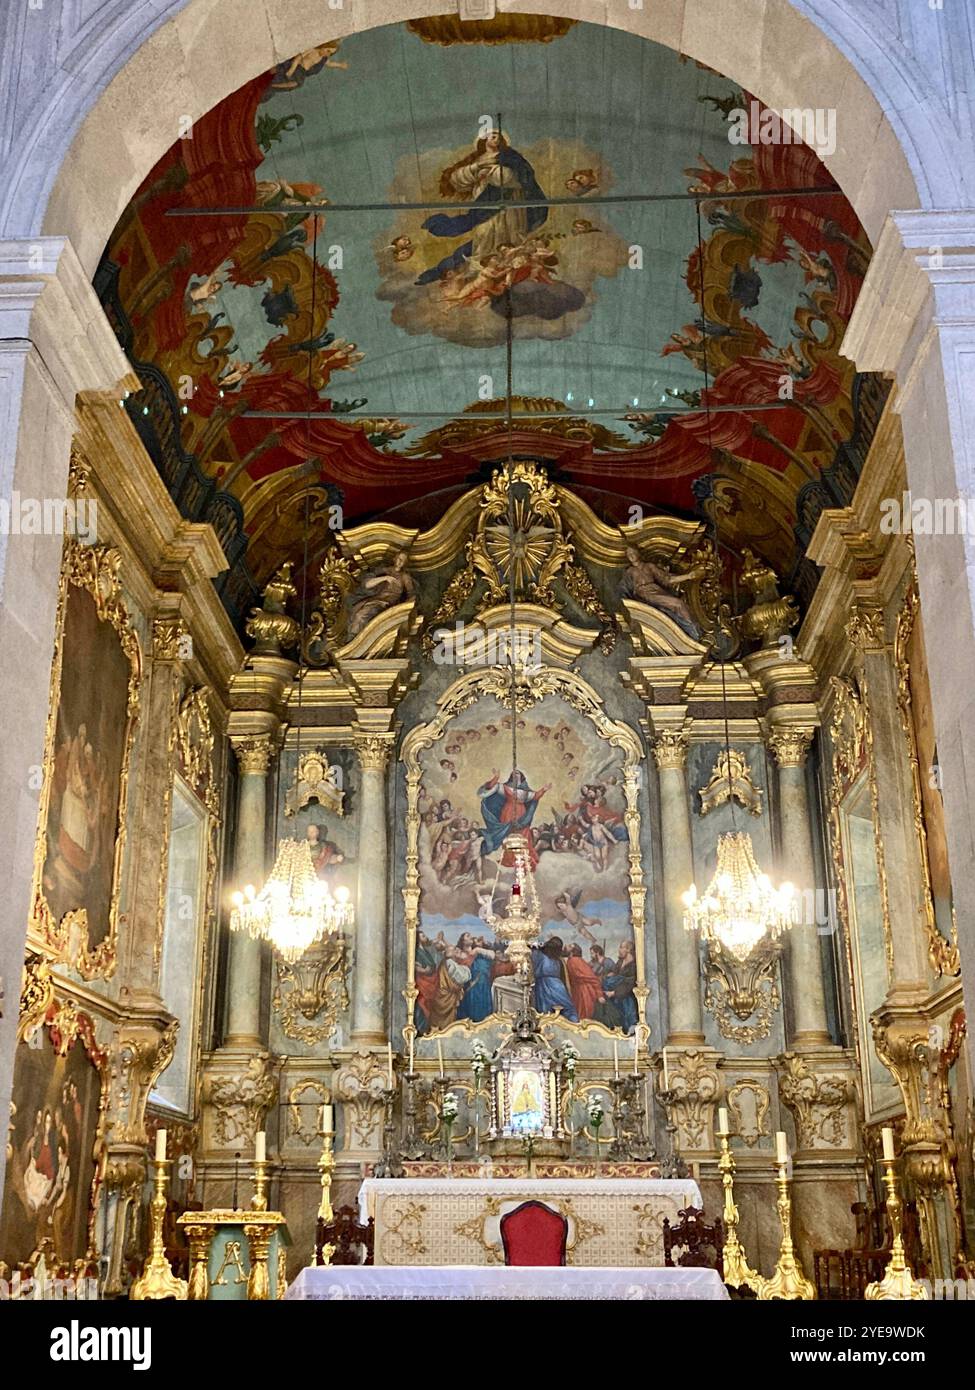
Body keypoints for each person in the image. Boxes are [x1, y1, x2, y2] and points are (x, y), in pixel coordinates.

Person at [416, 130, 549, 286]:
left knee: (510, 233)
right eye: (492, 136)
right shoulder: (476, 159)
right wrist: (476, 169)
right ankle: (483, 269)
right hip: (484, 204)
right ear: (484, 140)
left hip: (510, 204)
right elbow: (456, 180)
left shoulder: (512, 158)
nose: (496, 139)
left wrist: (493, 172)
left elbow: (522, 178)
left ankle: (510, 269)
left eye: (499, 137)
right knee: (485, 234)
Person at [620, 546, 702, 640]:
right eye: (628, 554)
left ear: (639, 553)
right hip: (642, 595)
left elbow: (667, 579)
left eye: (633, 552)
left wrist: (688, 576)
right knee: (677, 604)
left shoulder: (649, 566)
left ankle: (692, 629)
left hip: (655, 591)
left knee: (679, 603)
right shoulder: (629, 572)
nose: (631, 556)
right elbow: (623, 589)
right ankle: (691, 631)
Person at [477, 768, 549, 866]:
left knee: (523, 833)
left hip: (522, 814)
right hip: (508, 812)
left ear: (521, 776)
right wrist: (496, 777)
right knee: (509, 834)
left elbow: (535, 796)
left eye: (518, 773)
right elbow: (490, 786)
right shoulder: (505, 787)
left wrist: (543, 790)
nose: (516, 775)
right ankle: (509, 858)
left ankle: (524, 858)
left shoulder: (525, 791)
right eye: (514, 773)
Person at [596, 938, 638, 1033]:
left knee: (626, 1014)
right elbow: (614, 973)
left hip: (625, 997)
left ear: (628, 950)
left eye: (621, 947)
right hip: (616, 995)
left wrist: (614, 993)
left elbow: (629, 984)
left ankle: (629, 1026)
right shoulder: (620, 962)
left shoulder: (633, 966)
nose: (619, 949)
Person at [531, 937, 579, 1022]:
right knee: (566, 1008)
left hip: (545, 986)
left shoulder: (540, 955)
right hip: (558, 986)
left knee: (546, 1011)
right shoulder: (557, 959)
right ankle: (574, 1024)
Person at [564, 943, 605, 1021]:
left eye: (569, 946)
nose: (566, 945)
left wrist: (599, 995)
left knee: (583, 1017)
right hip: (577, 991)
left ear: (573, 951)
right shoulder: (571, 960)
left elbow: (592, 978)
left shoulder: (575, 960)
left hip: (584, 992)